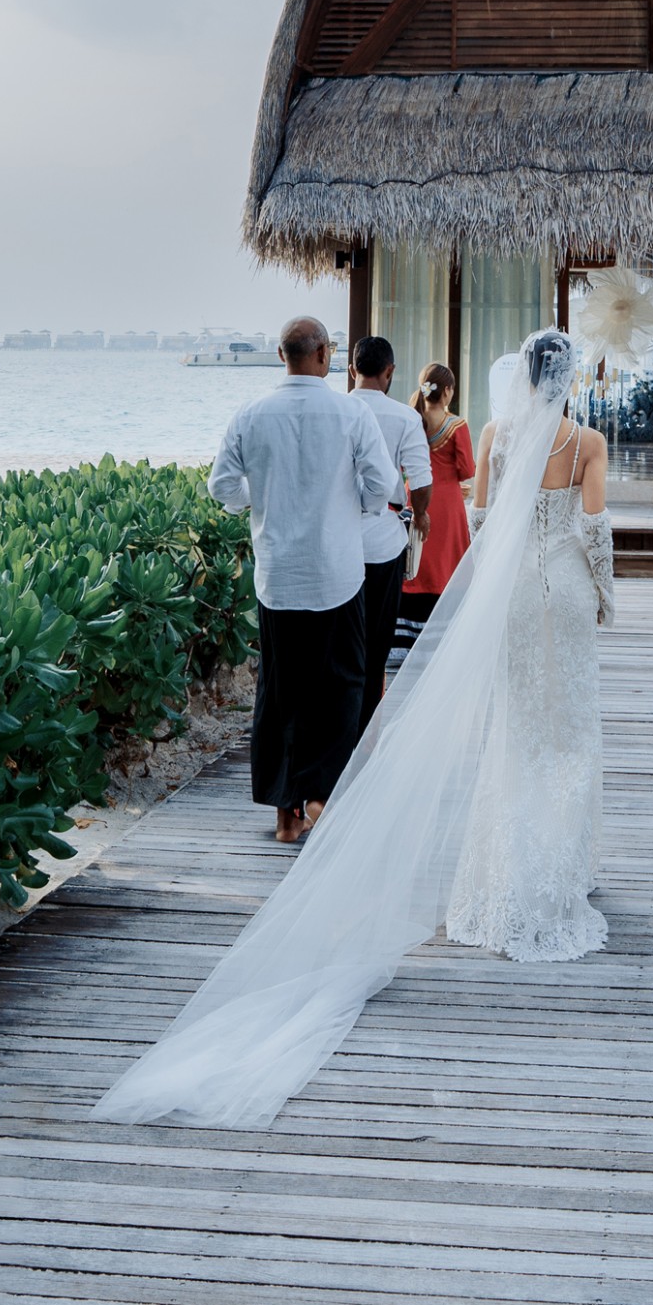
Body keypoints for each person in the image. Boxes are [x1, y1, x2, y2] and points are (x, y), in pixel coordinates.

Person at [96, 326, 612, 1130]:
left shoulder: (266, 414)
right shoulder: (569, 441)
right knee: (388, 697)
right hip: (396, 574)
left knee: (291, 693)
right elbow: (407, 493)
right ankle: (351, 810)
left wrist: (270, 505)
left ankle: (291, 811)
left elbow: (225, 489)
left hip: (299, 570)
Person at [450, 339, 615, 960]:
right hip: (568, 586)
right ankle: (565, 865)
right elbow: (595, 529)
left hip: (515, 588)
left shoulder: (496, 433)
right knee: (570, 728)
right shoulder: (587, 442)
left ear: (524, 374)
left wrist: (489, 587)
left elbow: (481, 520)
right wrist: (605, 594)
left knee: (518, 726)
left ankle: (513, 862)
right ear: (569, 378)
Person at [207, 315, 391, 846]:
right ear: (325, 355)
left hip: (279, 575)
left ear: (281, 356)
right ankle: (321, 796)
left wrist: (259, 499)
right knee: (342, 686)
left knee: (280, 692)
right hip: (337, 572)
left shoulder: (251, 414)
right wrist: (356, 507)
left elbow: (221, 486)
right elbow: (381, 485)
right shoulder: (352, 412)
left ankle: (286, 816)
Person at [348, 334, 433, 726]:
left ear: (352, 369)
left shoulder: (338, 410)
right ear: (390, 372)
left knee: (339, 639)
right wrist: (420, 514)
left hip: (337, 539)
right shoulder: (404, 417)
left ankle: (337, 724)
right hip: (383, 543)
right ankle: (367, 726)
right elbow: (421, 480)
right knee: (377, 641)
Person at [402, 362, 475, 626]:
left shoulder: (411, 419)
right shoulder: (457, 425)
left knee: (415, 557)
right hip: (447, 502)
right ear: (446, 391)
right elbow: (467, 469)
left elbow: (403, 464)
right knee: (448, 562)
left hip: (415, 496)